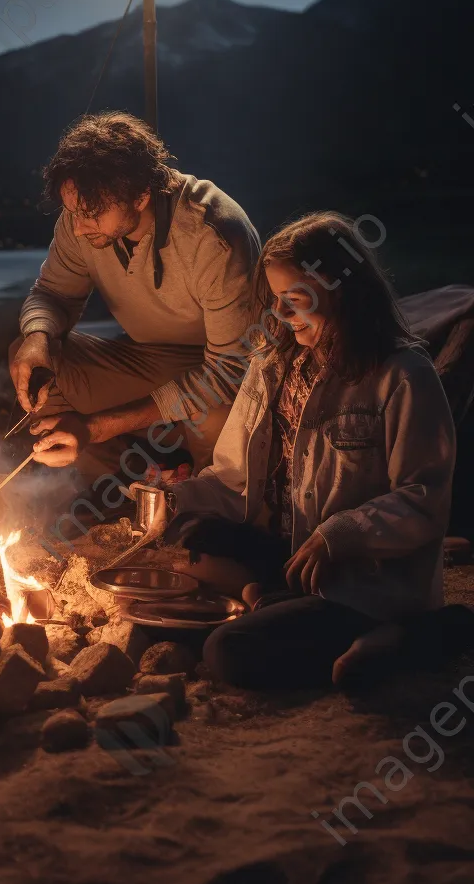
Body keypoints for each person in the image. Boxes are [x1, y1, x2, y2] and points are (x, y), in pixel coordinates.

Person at [151, 211, 458, 689]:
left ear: (342, 292)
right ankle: (269, 598)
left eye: (294, 301)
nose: (282, 316)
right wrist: (174, 498)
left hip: (360, 581)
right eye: (276, 301)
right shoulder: (273, 365)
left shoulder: (401, 375)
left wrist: (341, 533)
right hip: (287, 554)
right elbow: (233, 477)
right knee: (186, 535)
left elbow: (424, 498)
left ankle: (419, 633)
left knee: (226, 650)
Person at [12, 112, 260, 476]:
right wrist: (36, 336)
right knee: (36, 362)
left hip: (222, 370)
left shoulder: (213, 236)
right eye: (71, 212)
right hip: (150, 360)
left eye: (90, 215)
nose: (77, 229)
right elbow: (51, 294)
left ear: (142, 195)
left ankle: (199, 501)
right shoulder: (79, 218)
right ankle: (122, 485)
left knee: (214, 420)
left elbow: (229, 372)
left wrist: (97, 426)